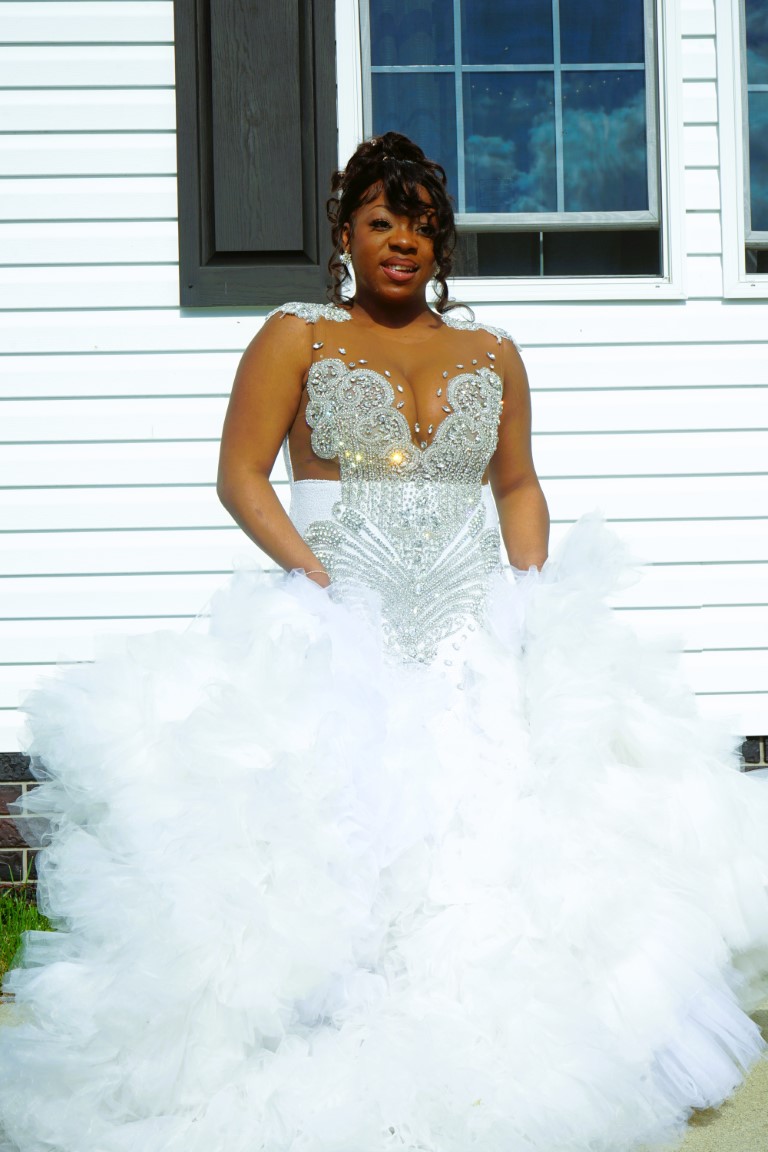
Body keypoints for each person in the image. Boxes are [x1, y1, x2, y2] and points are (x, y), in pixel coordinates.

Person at [0, 132, 767, 1152]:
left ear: (440, 243)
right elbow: (240, 473)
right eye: (381, 222)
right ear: (347, 234)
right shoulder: (297, 336)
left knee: (497, 832)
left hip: (472, 633)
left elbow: (517, 484)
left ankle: (501, 1043)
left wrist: (534, 599)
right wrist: (310, 573)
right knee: (338, 829)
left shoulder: (492, 354)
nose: (402, 241)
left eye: (421, 225)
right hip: (336, 632)